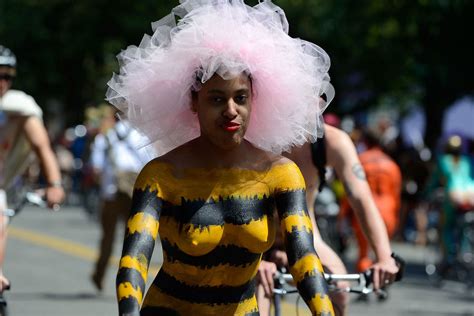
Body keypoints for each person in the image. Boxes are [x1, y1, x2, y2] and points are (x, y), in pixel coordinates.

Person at [106, 1, 335, 315]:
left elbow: (304, 257)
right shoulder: (161, 175)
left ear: (254, 100)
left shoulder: (281, 174)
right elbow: (134, 261)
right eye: (216, 99)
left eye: (240, 97)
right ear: (193, 103)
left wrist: (326, 312)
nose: (231, 111)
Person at [257, 122, 400, 315]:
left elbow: (361, 198)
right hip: (254, 237)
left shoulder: (333, 141)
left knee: (339, 288)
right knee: (258, 296)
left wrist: (384, 258)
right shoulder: (255, 133)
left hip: (305, 237)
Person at [0, 45, 65, 291]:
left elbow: (42, 146)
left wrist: (54, 184)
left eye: (7, 76)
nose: (2, 82)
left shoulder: (20, 108)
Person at [90, 105, 149, 291]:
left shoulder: (104, 137)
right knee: (131, 241)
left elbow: (95, 168)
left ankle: (99, 274)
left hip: (110, 193)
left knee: (107, 238)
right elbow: (149, 165)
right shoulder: (142, 138)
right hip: (134, 194)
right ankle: (127, 279)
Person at [339, 129, 402, 273]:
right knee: (383, 251)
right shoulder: (392, 165)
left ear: (365, 142)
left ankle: (367, 281)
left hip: (366, 211)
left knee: (363, 252)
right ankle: (382, 278)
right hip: (388, 212)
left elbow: (350, 191)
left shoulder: (359, 161)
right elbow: (397, 195)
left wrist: (343, 214)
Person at [422, 134, 474, 266]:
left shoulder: (443, 160)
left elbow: (434, 181)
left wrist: (425, 194)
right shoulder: (466, 161)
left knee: (446, 226)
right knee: (464, 226)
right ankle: (464, 252)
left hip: (453, 196)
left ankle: (449, 255)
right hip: (470, 195)